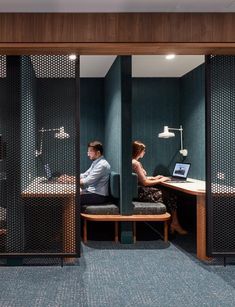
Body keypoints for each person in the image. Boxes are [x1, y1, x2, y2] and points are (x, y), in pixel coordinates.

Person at [132, 140, 187, 235]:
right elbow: (145, 182)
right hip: (140, 192)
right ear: (139, 151)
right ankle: (175, 224)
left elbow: (140, 178)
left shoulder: (133, 162)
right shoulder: (136, 163)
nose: (144, 152)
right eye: (143, 150)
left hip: (138, 190)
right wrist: (160, 180)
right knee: (171, 195)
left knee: (168, 193)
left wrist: (154, 178)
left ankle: (174, 223)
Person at [58, 140, 111, 205]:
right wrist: (69, 177)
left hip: (99, 195)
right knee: (71, 195)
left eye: (90, 151)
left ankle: (73, 215)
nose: (88, 154)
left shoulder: (102, 165)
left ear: (98, 153)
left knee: (71, 198)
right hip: (92, 192)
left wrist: (68, 180)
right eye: (88, 151)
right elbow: (84, 175)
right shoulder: (96, 162)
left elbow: (87, 181)